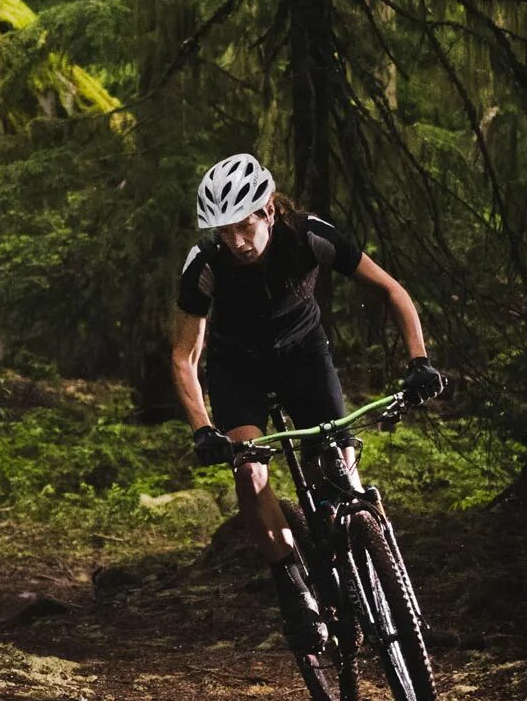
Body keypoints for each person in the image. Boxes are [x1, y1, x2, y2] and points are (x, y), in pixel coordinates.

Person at [169, 153, 446, 656]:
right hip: (239, 368)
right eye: (223, 232)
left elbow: (392, 291)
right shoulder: (205, 266)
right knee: (250, 474)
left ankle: (380, 569)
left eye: (243, 227)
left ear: (268, 211)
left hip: (304, 355)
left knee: (340, 468)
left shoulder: (310, 235)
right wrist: (202, 428)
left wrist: (419, 360)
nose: (235, 242)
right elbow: (184, 355)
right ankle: (293, 586)